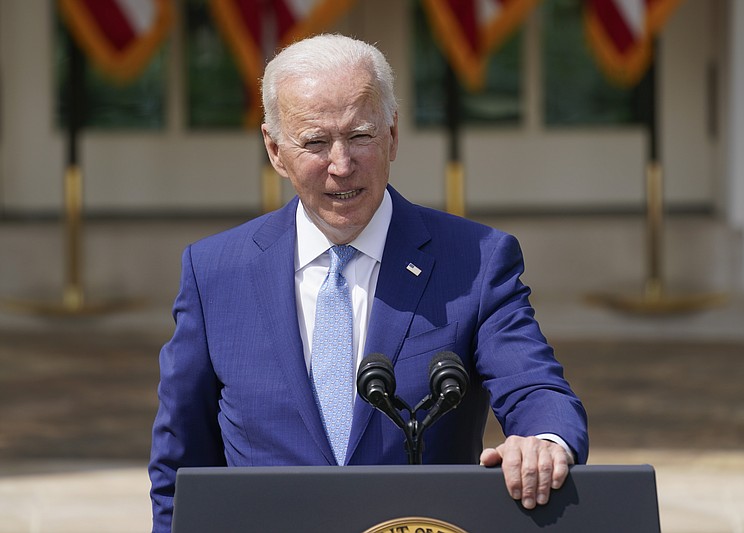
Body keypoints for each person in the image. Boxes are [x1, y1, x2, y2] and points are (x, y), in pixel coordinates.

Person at [149, 33, 588, 531]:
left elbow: (533, 386)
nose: (341, 165)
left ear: (393, 135)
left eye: (360, 136)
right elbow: (179, 469)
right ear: (275, 150)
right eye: (315, 142)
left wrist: (544, 443)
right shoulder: (215, 273)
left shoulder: (475, 260)